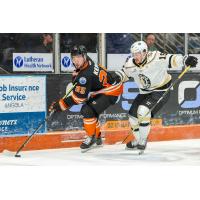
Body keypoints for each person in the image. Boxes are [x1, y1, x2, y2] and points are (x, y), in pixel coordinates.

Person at [114, 41, 198, 153]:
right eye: (133, 53)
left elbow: (172, 59)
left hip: (161, 90)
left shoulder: (156, 57)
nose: (135, 56)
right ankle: (138, 140)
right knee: (132, 117)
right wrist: (115, 77)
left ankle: (143, 140)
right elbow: (125, 74)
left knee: (143, 111)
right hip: (145, 92)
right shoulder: (130, 62)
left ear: (145, 52)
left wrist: (185, 59)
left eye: (138, 53)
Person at [49, 45, 123, 152]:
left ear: (84, 56)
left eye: (78, 57)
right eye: (73, 58)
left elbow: (79, 99)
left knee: (87, 110)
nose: (76, 61)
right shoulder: (87, 62)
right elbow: (82, 79)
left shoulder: (85, 76)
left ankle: (91, 137)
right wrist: (76, 78)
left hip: (112, 91)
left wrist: (59, 105)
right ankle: (97, 137)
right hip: (104, 88)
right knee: (92, 111)